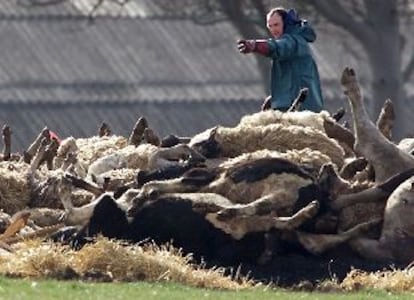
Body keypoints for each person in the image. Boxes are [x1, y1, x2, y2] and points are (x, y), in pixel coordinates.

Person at [237, 7, 324, 112]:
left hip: (301, 108)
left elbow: (277, 47)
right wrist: (276, 98)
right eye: (270, 26)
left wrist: (255, 45)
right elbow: (290, 79)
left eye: (276, 25)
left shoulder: (293, 41)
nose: (273, 29)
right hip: (297, 104)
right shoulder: (296, 40)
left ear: (286, 23)